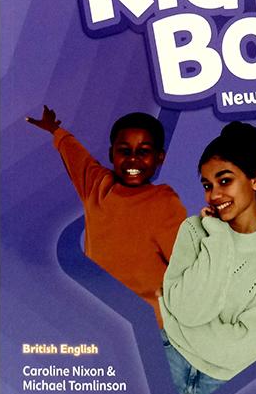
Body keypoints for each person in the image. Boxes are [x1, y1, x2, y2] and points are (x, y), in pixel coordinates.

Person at [158, 122, 256, 394]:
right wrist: (219, 237)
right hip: (169, 355)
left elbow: (246, 346)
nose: (214, 195)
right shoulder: (195, 230)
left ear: (255, 179)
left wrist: (180, 322)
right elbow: (188, 308)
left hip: (222, 380)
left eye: (225, 181)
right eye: (207, 185)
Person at [26, 106, 186, 327]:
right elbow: (76, 155)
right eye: (124, 151)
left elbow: (185, 265)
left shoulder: (164, 202)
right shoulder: (98, 186)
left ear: (160, 157)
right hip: (102, 320)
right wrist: (55, 130)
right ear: (112, 154)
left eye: (143, 152)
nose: (133, 159)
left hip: (154, 326)